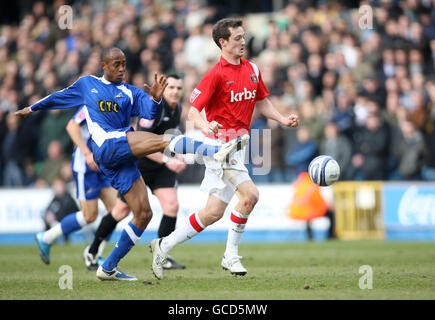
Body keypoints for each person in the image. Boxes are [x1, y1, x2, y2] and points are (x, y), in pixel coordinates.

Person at [15, 47, 247, 281]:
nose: (122, 68)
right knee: (161, 141)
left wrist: (156, 98)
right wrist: (32, 108)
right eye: (116, 64)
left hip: (121, 155)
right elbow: (60, 96)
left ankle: (108, 267)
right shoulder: (88, 84)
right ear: (104, 66)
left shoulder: (131, 92)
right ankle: (215, 152)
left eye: (124, 63)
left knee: (143, 213)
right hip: (107, 147)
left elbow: (150, 114)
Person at [149, 18, 299, 280]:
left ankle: (163, 245)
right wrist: (206, 126)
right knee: (250, 195)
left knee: (213, 213)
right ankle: (230, 255)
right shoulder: (215, 74)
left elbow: (261, 101)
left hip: (238, 147)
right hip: (220, 148)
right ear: (223, 43)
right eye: (238, 38)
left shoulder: (252, 68)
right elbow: (193, 112)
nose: (243, 42)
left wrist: (283, 119)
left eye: (244, 37)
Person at [84, 74, 188, 270]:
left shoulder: (178, 109)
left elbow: (168, 140)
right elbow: (141, 143)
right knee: (120, 211)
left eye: (179, 88)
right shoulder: (154, 111)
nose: (175, 92)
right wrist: (168, 160)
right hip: (140, 164)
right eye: (171, 88)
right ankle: (93, 251)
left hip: (161, 168)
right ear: (164, 90)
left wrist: (177, 156)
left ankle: (161, 256)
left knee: (172, 205)